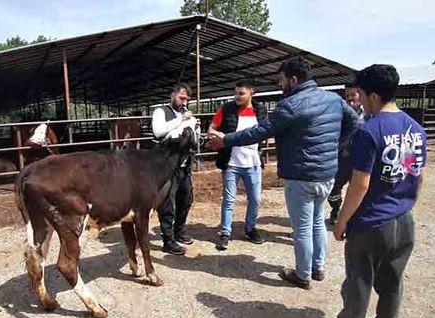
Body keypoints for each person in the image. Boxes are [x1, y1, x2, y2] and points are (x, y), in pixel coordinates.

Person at [207, 58, 359, 289]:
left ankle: (302, 275)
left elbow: (260, 132)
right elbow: (355, 122)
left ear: (294, 79)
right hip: (327, 174)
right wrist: (334, 145)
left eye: (281, 80)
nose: (279, 85)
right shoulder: (333, 99)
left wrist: (226, 140)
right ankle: (318, 267)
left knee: (302, 228)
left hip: (301, 176)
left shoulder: (291, 105)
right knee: (318, 222)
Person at [315, 64, 426, 318]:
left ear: (374, 96)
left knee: (360, 280)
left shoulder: (369, 131)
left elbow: (360, 184)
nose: (360, 100)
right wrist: (407, 203)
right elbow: (418, 175)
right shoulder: (416, 129)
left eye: (362, 95)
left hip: (371, 222)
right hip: (403, 219)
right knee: (392, 279)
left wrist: (342, 221)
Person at [208, 79, 268, 250]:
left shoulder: (260, 110)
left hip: (253, 162)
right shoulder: (226, 109)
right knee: (229, 199)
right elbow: (211, 128)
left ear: (251, 93)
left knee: (255, 199)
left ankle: (250, 229)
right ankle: (225, 232)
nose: (237, 96)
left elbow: (265, 131)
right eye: (235, 93)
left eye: (241, 93)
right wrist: (217, 134)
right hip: (231, 162)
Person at [151, 83, 197, 255]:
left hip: (184, 165)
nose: (184, 101)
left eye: (186, 99)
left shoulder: (189, 117)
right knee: (167, 203)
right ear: (172, 95)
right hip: (166, 166)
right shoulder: (161, 112)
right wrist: (181, 119)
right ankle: (167, 240)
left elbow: (192, 138)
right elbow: (158, 132)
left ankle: (179, 231)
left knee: (186, 199)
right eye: (181, 97)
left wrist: (195, 131)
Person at [326, 83, 365, 225]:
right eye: (347, 96)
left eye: (353, 95)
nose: (350, 99)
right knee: (333, 189)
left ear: (360, 95)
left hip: (361, 159)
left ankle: (353, 217)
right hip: (342, 157)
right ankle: (335, 208)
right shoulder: (339, 114)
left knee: (358, 189)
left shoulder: (369, 114)